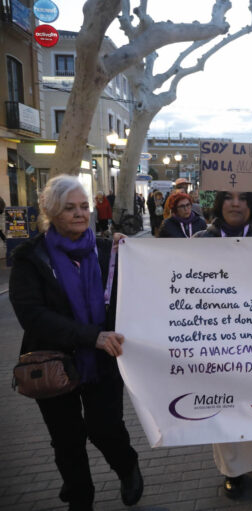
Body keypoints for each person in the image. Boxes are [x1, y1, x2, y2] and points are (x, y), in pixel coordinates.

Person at [8, 176, 142, 510]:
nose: (80, 214)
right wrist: (89, 336)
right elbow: (33, 315)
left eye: (84, 206)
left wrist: (135, 254)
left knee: (106, 428)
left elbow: (138, 292)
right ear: (51, 212)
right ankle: (80, 498)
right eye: (70, 208)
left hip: (103, 360)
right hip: (52, 362)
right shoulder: (30, 257)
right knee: (67, 440)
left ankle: (127, 466)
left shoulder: (108, 249)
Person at [194, 187, 252, 498]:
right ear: (219, 204)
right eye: (228, 198)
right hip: (219, 340)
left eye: (242, 199)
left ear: (251, 205)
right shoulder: (199, 242)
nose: (235, 204)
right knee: (225, 403)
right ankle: (233, 469)